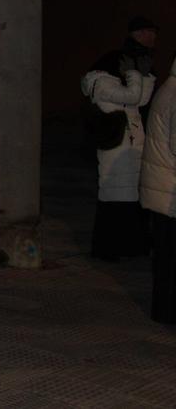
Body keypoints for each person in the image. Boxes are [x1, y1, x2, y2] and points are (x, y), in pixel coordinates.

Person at [82, 17, 158, 260]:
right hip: (117, 146)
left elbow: (141, 100)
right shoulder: (102, 83)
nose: (152, 36)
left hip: (130, 143)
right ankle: (113, 249)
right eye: (146, 31)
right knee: (116, 198)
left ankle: (130, 247)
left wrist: (144, 77)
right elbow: (133, 97)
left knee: (130, 198)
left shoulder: (119, 79)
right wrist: (137, 76)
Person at [141, 55, 176, 323]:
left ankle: (162, 310)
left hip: (161, 187)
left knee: (165, 257)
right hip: (168, 191)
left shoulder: (169, 86)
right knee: (169, 258)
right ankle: (165, 312)